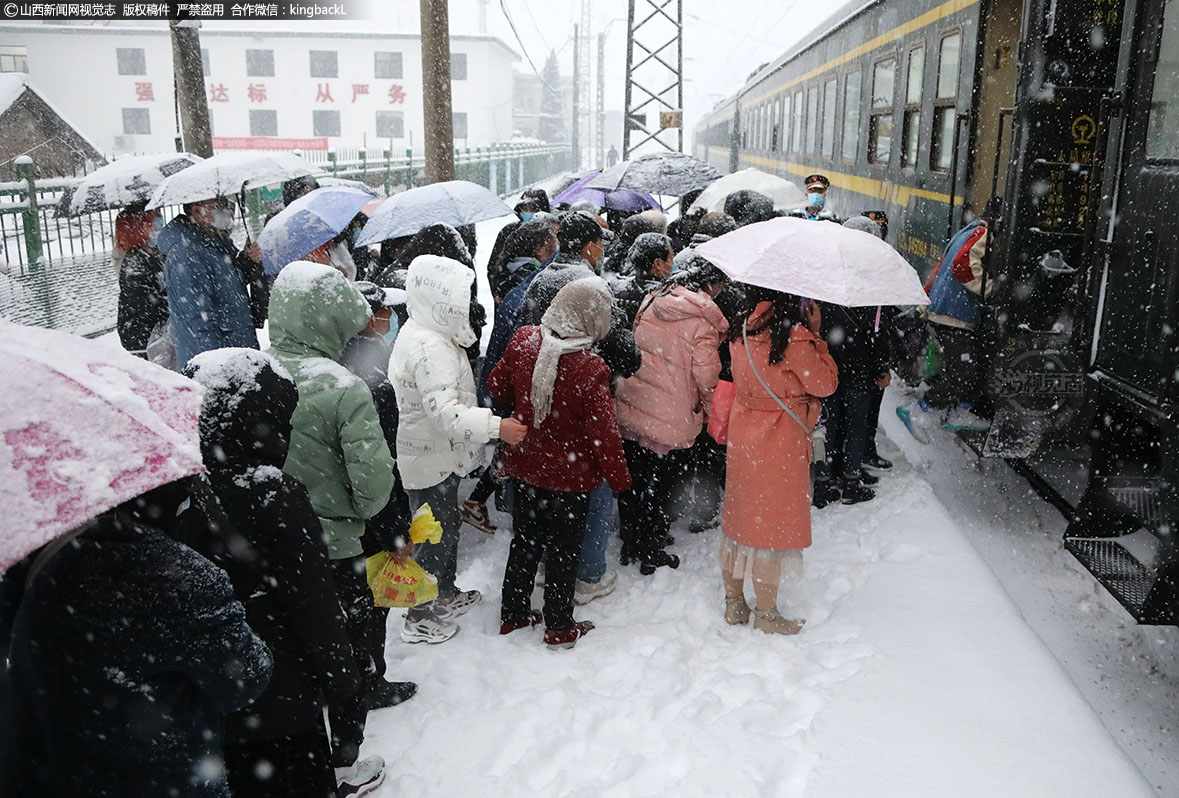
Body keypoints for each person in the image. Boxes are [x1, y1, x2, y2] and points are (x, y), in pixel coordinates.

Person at [180, 348, 387, 798]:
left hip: (215, 690)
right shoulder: (273, 496)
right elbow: (314, 603)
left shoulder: (182, 487)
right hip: (283, 689)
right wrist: (342, 679)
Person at [6, 481, 273, 797]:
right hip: (169, 781)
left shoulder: (49, 569)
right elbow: (245, 679)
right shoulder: (186, 580)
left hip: (62, 776)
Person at [266, 263, 401, 723]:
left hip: (270, 538)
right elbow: (373, 484)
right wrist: (362, 512)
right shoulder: (344, 388)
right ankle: (348, 737)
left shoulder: (257, 370)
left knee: (294, 635)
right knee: (350, 635)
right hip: (338, 543)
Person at [390, 254, 529, 643]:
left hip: (436, 456)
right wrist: (496, 427)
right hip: (428, 457)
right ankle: (419, 615)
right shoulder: (428, 347)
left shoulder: (428, 332)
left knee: (444, 528)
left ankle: (443, 593)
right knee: (432, 536)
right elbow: (445, 414)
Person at [488, 277, 631, 648]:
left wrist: (525, 408)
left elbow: (496, 385)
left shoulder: (524, 341)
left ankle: (514, 614)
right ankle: (558, 625)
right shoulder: (589, 367)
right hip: (571, 477)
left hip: (525, 465)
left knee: (525, 542)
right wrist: (619, 480)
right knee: (565, 551)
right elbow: (605, 434)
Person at [721, 288, 838, 635]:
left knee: (741, 519)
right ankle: (767, 614)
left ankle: (734, 603)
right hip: (780, 438)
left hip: (743, 431)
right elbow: (826, 384)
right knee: (768, 528)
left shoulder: (742, 325)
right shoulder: (794, 335)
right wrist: (817, 334)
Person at [615, 262, 729, 574]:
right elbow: (707, 377)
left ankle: (631, 541)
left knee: (634, 481)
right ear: (709, 286)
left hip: (633, 402)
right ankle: (652, 547)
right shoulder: (702, 322)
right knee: (665, 485)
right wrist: (709, 413)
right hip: (671, 412)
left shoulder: (650, 301)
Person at [896, 203, 997, 441]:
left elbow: (940, 268)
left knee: (971, 369)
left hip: (949, 312)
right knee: (962, 372)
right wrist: (989, 288)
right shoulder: (983, 233)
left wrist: (927, 301)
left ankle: (959, 412)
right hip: (954, 316)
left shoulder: (966, 231)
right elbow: (963, 266)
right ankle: (917, 411)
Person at [812, 216, 892, 506]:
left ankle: (823, 482)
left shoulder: (823, 275)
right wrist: (882, 368)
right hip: (860, 368)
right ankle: (851, 480)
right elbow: (879, 333)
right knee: (856, 426)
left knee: (826, 426)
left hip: (827, 367)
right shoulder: (875, 281)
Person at [158, 196, 261, 368]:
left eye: (226, 204)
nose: (225, 210)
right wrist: (217, 366)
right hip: (219, 361)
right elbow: (198, 317)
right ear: (197, 211)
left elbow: (228, 283)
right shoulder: (186, 253)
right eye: (217, 206)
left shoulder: (215, 242)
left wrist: (246, 260)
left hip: (238, 350)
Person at [114, 205, 171, 364]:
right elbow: (147, 305)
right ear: (137, 229)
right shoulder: (135, 266)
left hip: (155, 337)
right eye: (154, 222)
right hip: (143, 341)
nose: (160, 226)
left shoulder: (154, 255)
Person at [485, 214, 559, 306]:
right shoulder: (531, 277)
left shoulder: (512, 269)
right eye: (554, 242)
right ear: (540, 249)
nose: (557, 247)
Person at [612, 232, 675, 327]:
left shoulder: (617, 289)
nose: (673, 264)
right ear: (658, 264)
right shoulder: (663, 297)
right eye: (671, 259)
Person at [487, 188, 552, 275]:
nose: (529, 212)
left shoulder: (551, 233)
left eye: (533, 209)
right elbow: (494, 266)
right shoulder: (509, 231)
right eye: (525, 208)